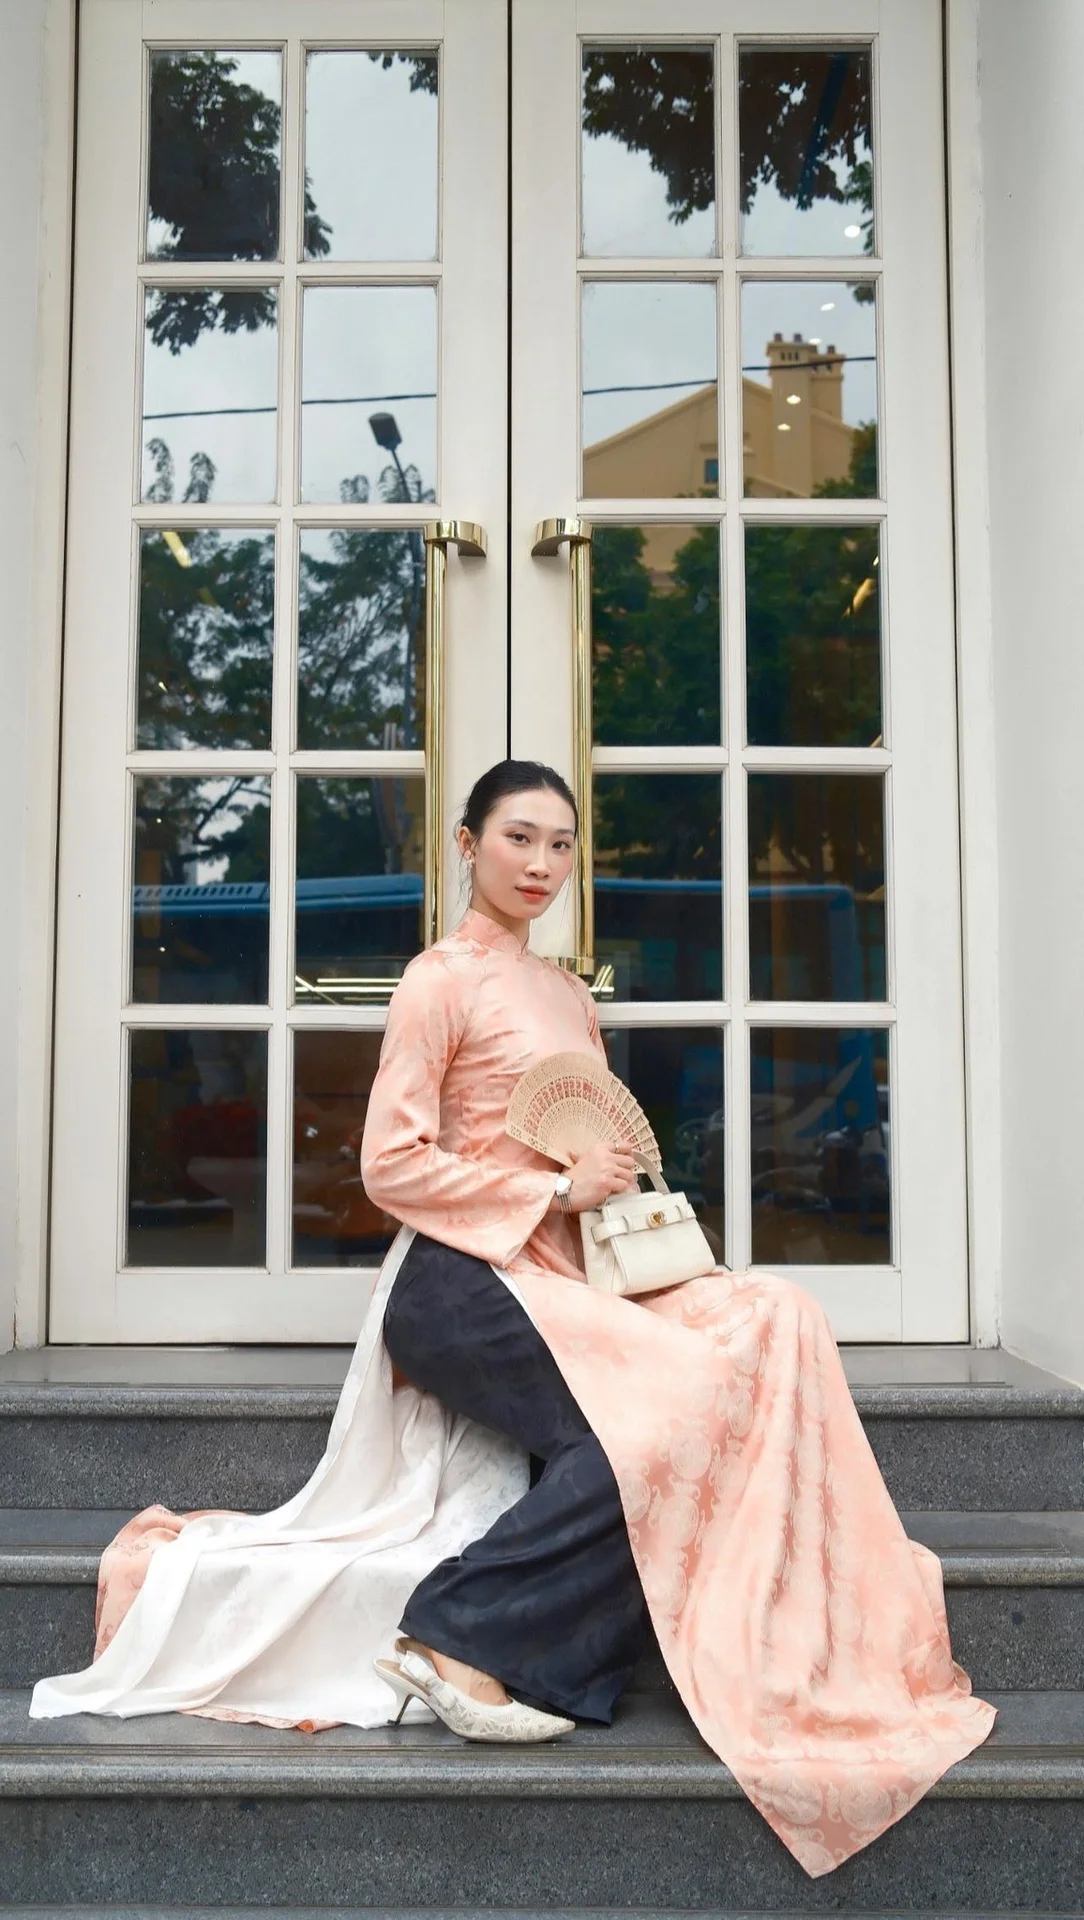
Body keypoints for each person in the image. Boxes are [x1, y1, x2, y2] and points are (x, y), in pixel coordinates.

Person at [30, 758, 996, 1880]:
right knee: (651, 1427)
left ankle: (662, 1638)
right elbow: (390, 1166)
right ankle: (459, 1631)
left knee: (777, 1315)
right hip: (461, 1282)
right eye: (518, 838)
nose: (541, 863)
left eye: (560, 844)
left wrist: (608, 1182)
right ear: (467, 844)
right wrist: (548, 1191)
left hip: (566, 1276)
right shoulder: (438, 980)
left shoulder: (568, 995)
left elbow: (586, 1151)